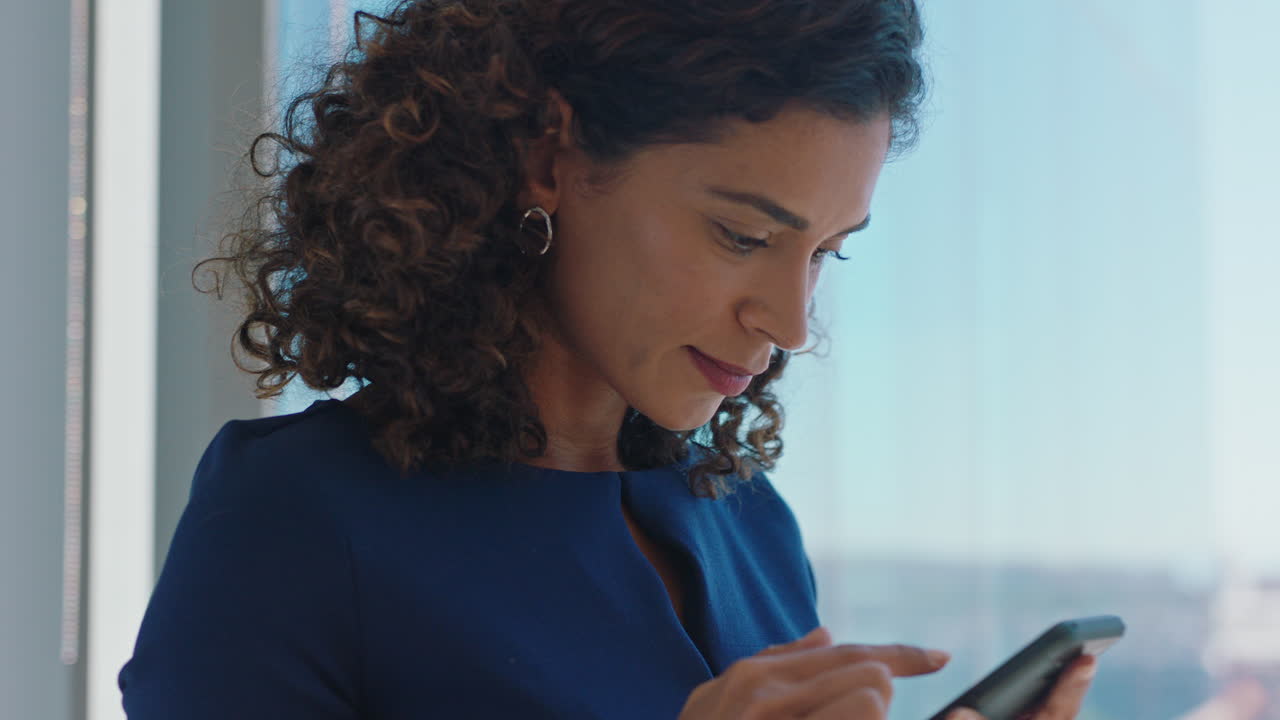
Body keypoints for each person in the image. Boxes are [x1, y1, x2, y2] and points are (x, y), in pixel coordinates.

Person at [117, 0, 1099, 717]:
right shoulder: (295, 521)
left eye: (825, 252)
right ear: (550, 158)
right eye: (741, 236)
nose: (791, 321)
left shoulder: (749, 527)